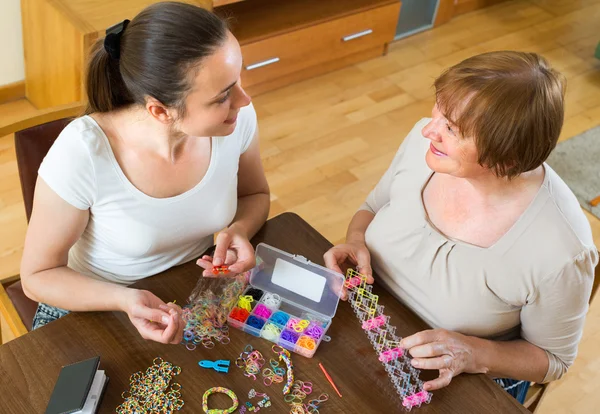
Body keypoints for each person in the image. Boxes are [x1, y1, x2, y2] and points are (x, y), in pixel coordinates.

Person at [324, 51, 598, 403]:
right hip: (369, 328)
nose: (428, 129)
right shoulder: (427, 145)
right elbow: (372, 208)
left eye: (451, 128)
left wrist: (472, 353)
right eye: (437, 111)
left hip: (460, 380)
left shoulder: (562, 249)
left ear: (507, 157)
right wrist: (356, 241)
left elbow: (553, 359)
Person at [20, 2, 270, 345]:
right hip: (92, 307)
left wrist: (240, 230)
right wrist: (124, 299)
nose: (244, 99)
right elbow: (37, 276)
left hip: (187, 291)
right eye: (223, 95)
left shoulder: (236, 120)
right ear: (160, 110)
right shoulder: (83, 153)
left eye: (237, 79)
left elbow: (254, 195)